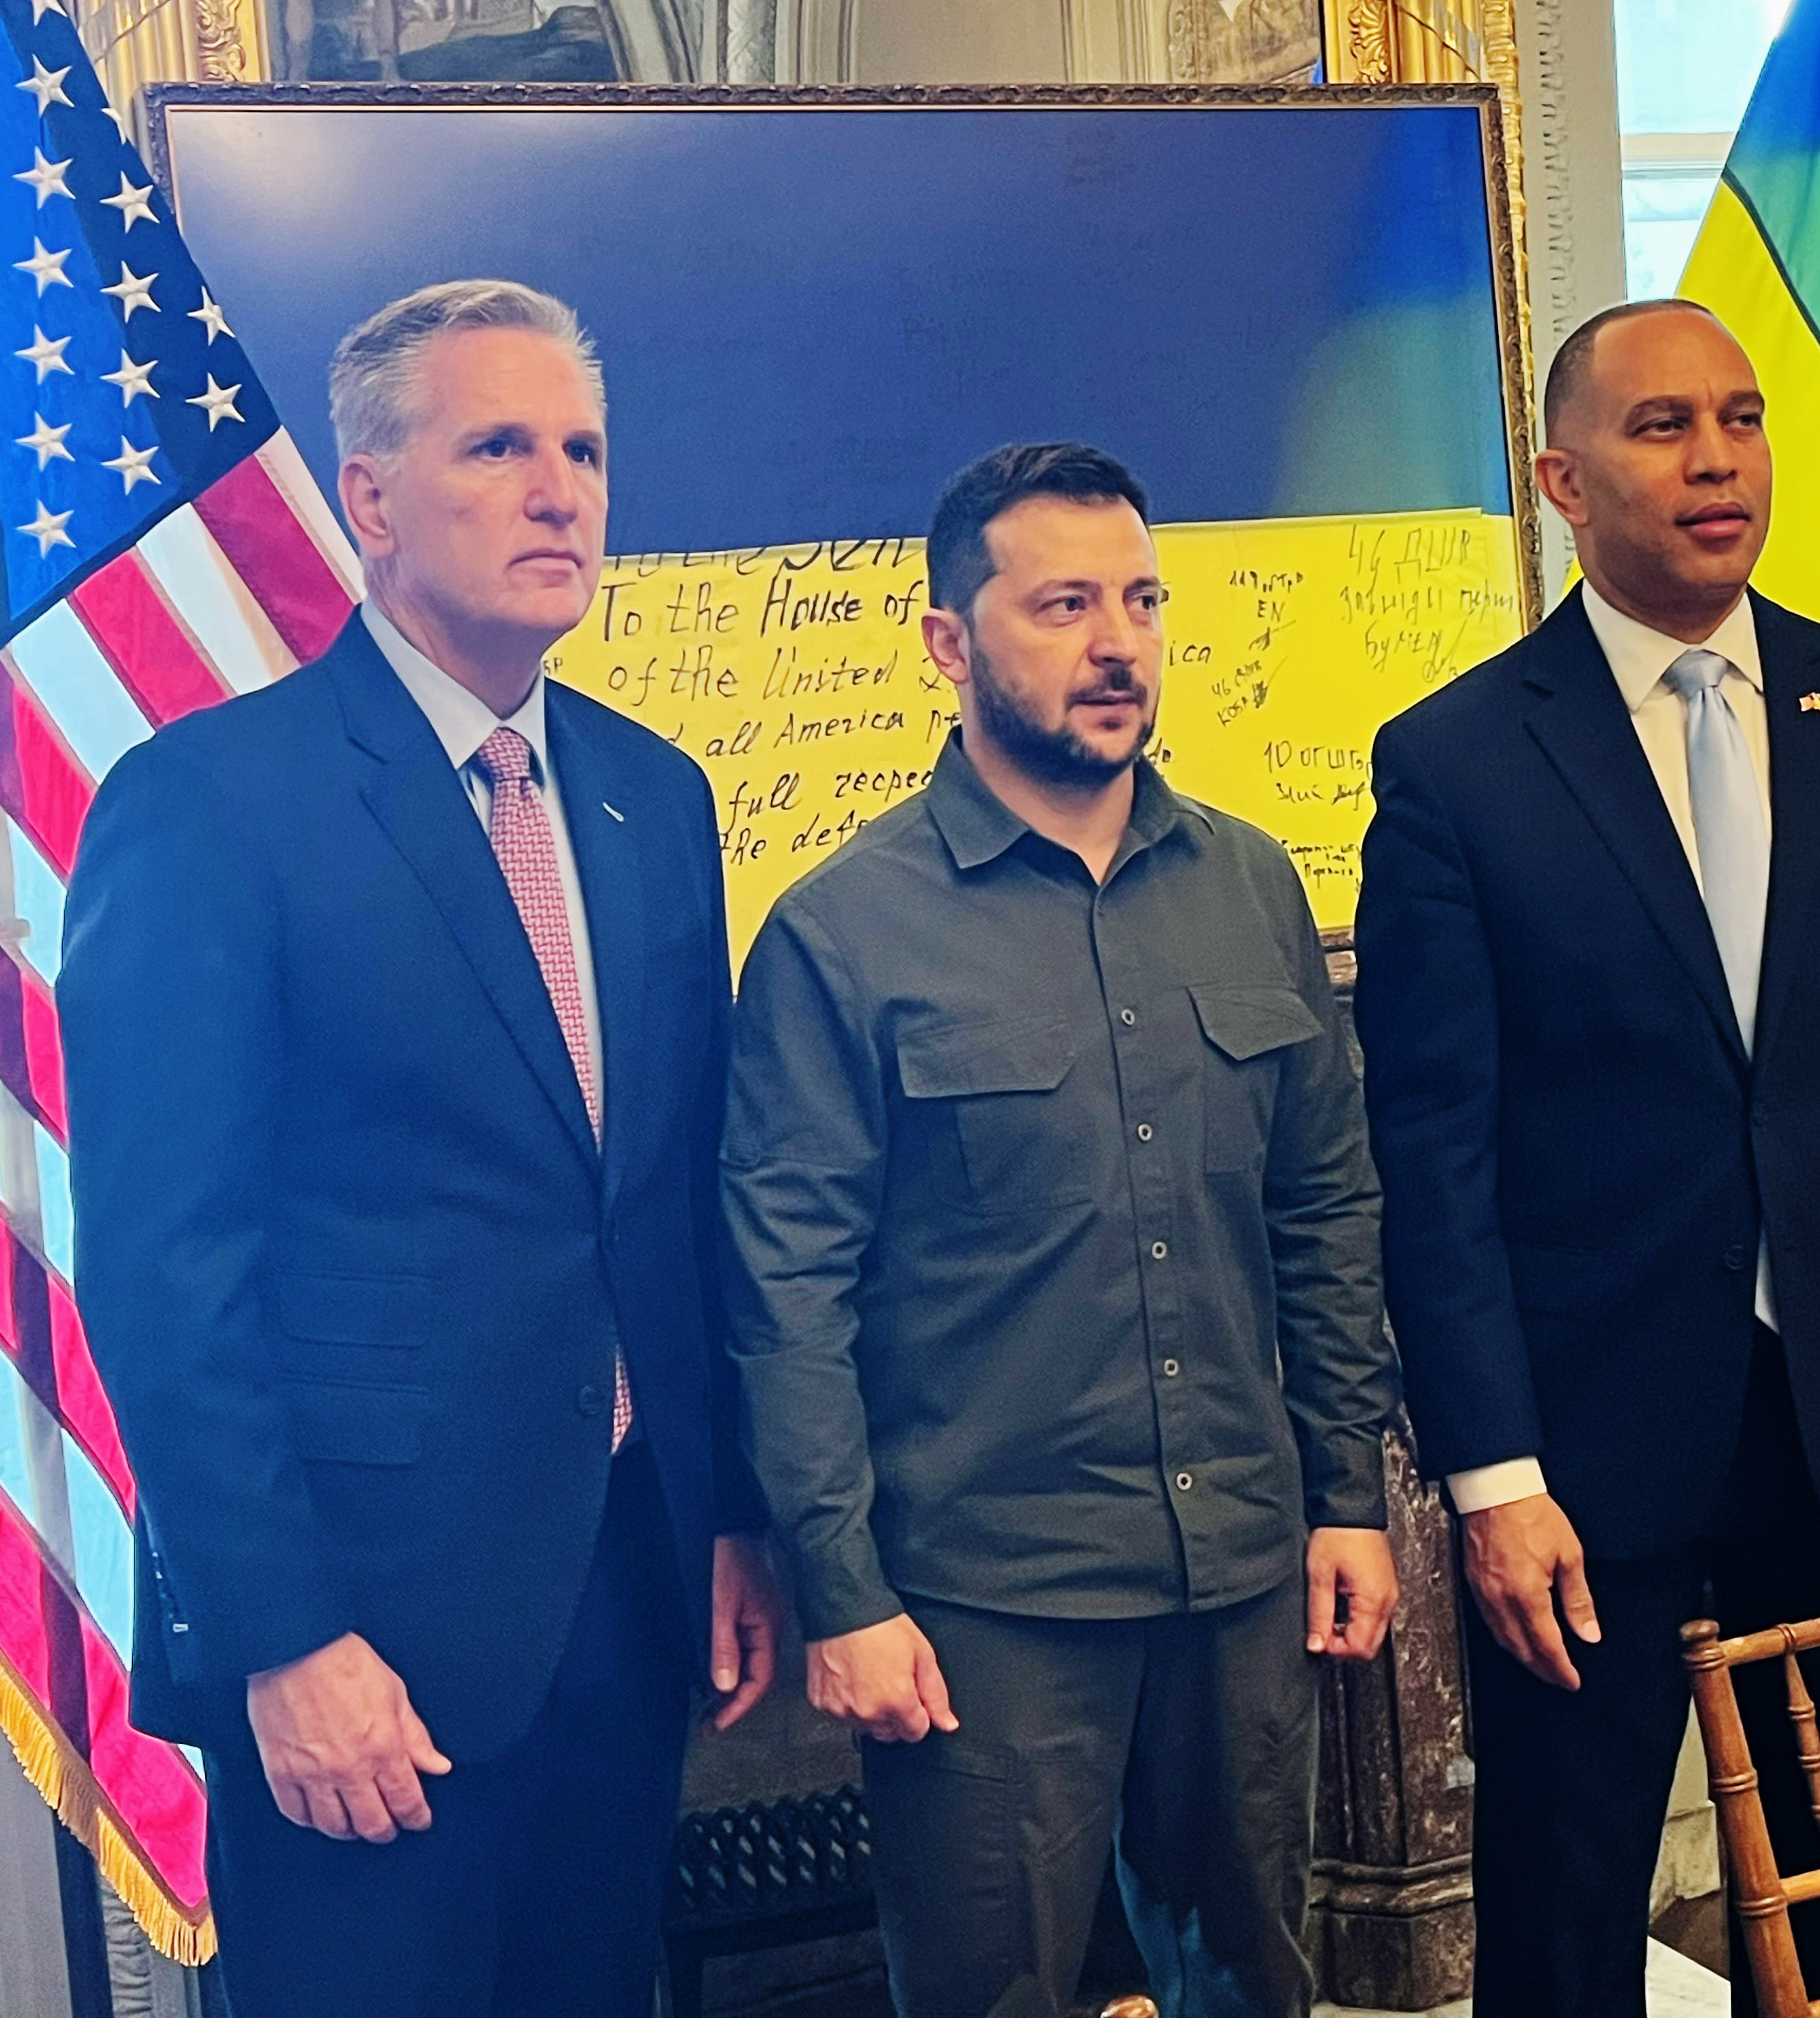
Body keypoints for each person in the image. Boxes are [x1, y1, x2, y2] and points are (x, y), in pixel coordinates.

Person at [59, 280, 780, 2018]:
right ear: (372, 502)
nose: (562, 492)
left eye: (586, 450)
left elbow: (676, 1201)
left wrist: (733, 1518)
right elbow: (169, 1275)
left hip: (623, 1598)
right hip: (359, 1646)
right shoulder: (209, 802)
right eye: (501, 447)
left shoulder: (653, 791)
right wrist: (282, 1642)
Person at [1353, 299, 1820, 2017]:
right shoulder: (1457, 765)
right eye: (1662, 428)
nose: (1717, 458)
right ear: (1563, 479)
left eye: (1742, 416)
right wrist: (1491, 1479)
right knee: (1564, 1939)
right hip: (1584, 1464)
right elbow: (1433, 1154)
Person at [721, 441, 1402, 2018]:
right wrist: (846, 1592)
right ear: (950, 643)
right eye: (1064, 605)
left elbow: (1325, 1205)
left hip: (1239, 1571)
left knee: (1253, 1985)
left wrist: (1346, 1492)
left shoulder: (1248, 886)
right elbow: (788, 1296)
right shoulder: (844, 935)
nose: (1118, 645)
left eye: (1143, 601)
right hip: (982, 1609)